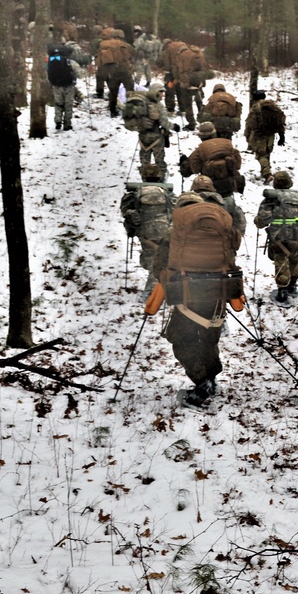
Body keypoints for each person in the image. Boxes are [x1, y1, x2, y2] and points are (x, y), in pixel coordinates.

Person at [152, 190, 243, 408]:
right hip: (219, 294)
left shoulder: (172, 234)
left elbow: (158, 267)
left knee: (180, 339)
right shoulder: (220, 231)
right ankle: (211, 378)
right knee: (209, 340)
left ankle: (202, 382)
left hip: (188, 296)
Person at [254, 171, 298, 304]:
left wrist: (258, 221)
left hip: (278, 235)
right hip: (297, 234)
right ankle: (292, 284)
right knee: (295, 258)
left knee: (280, 259)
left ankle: (282, 289)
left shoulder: (271, 198)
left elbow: (263, 219)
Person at [120, 163, 174, 295]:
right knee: (160, 259)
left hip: (145, 231)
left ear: (143, 176)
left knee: (151, 262)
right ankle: (160, 291)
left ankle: (151, 294)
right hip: (165, 230)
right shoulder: (166, 193)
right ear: (159, 176)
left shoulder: (135, 193)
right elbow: (176, 210)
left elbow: (125, 211)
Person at [178, 122, 245, 204]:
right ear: (214, 133)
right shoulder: (228, 145)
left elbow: (194, 170)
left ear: (201, 137)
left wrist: (184, 162)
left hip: (210, 187)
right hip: (230, 184)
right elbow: (238, 165)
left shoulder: (199, 150)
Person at [243, 90, 286, 183]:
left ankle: (267, 174)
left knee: (261, 155)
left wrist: (247, 135)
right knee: (267, 153)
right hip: (271, 134)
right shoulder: (273, 107)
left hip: (259, 135)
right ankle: (265, 170)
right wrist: (282, 136)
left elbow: (250, 123)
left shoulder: (256, 108)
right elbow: (281, 122)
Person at [131, 83, 172, 178]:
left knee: (145, 161)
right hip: (156, 138)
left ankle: (145, 178)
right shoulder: (159, 106)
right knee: (159, 160)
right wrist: (174, 127)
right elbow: (164, 122)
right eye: (161, 92)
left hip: (143, 137)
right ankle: (161, 178)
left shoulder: (141, 103)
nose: (163, 95)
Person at [95, 27, 134, 117]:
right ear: (121, 36)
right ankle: (130, 110)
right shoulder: (124, 44)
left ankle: (113, 110)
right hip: (124, 70)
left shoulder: (103, 44)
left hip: (111, 71)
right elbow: (133, 53)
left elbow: (98, 58)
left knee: (113, 92)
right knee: (130, 90)